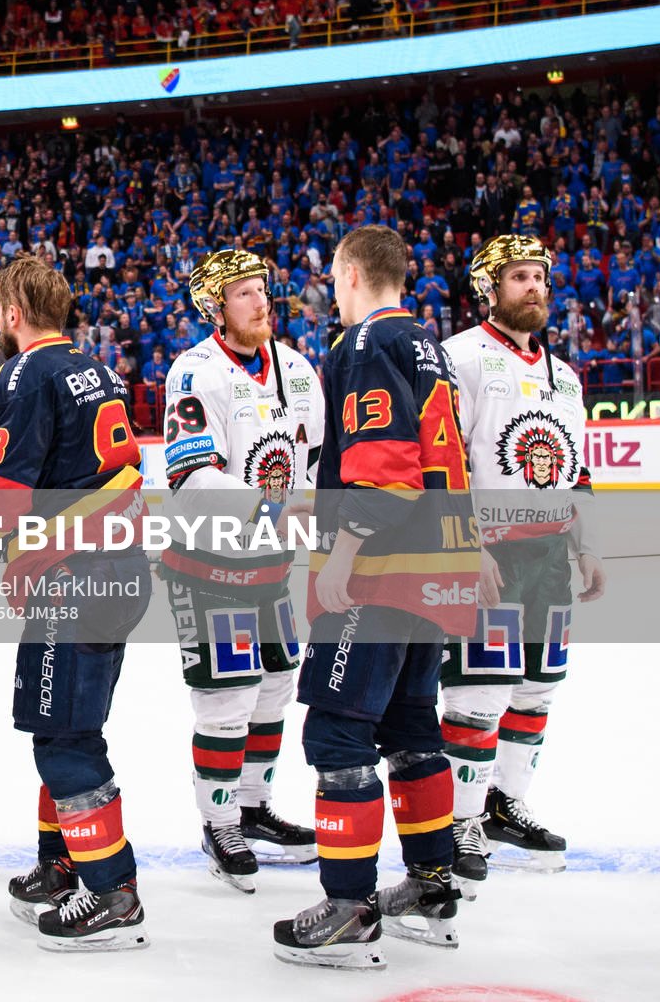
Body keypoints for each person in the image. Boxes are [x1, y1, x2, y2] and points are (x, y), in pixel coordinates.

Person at [274, 224, 479, 970]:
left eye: (334, 276)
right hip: (436, 568)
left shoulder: (364, 346)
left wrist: (347, 549)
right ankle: (430, 887)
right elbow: (436, 460)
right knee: (413, 729)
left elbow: (386, 466)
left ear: (352, 274)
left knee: (337, 734)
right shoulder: (431, 345)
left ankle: (350, 906)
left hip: (381, 571)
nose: (332, 290)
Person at [0, 253, 152, 951]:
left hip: (75, 580)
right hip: (118, 570)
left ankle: (111, 891)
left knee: (66, 737)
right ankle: (62, 862)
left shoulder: (24, 375)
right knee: (70, 724)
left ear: (9, 313)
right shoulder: (102, 370)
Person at [438, 235, 603, 893]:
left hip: (549, 556)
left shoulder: (566, 375)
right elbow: (445, 461)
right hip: (489, 551)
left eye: (539, 276)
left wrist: (587, 546)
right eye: (519, 278)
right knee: (479, 690)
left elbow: (577, 468)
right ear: (490, 288)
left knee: (537, 687)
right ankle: (460, 819)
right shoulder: (462, 358)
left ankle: (505, 804)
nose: (533, 287)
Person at [158, 251, 323, 891]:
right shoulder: (195, 372)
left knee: (277, 684)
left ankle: (253, 806)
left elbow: (316, 457)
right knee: (226, 699)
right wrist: (272, 506)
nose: (260, 301)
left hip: (271, 566)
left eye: (262, 289)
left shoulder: (300, 369)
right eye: (244, 293)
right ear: (214, 306)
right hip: (209, 564)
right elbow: (191, 476)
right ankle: (219, 821)